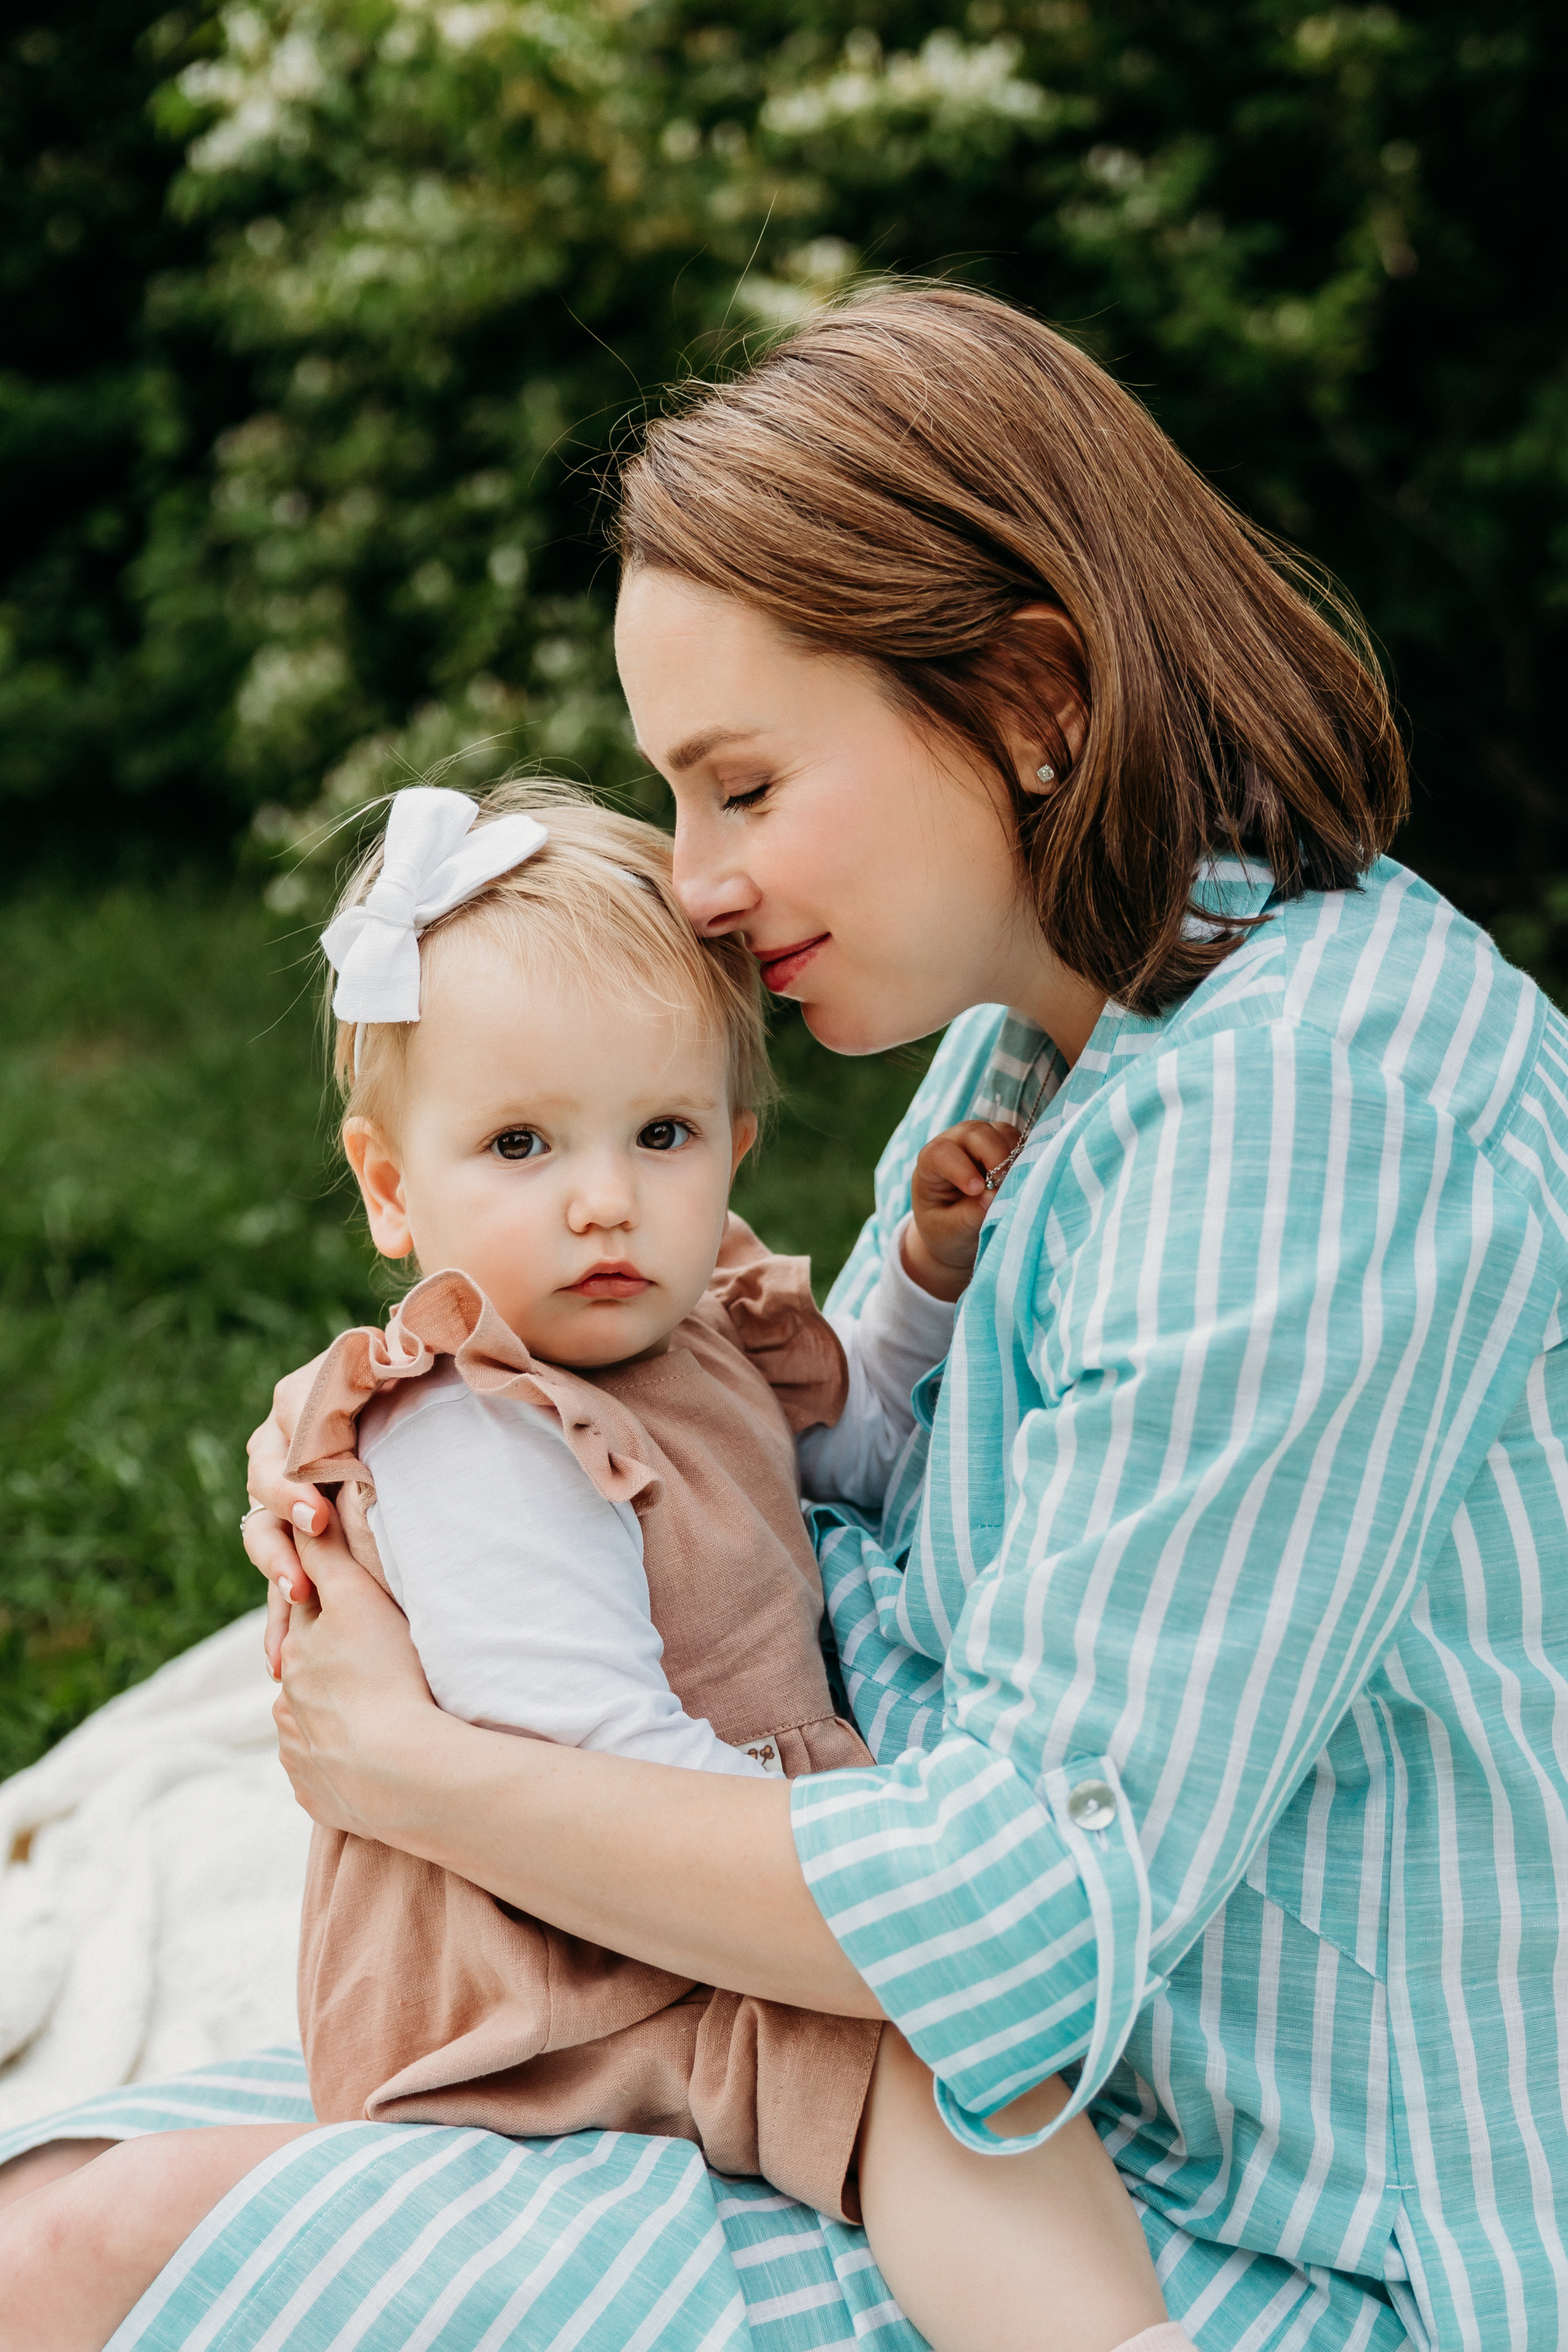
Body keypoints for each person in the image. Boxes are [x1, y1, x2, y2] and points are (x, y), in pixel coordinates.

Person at [2, 281, 1564, 2351]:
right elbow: (834, 1513)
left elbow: (1020, 1918)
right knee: (60, 2201)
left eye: (742, 786)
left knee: (127, 2274)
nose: (701, 883)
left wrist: (414, 1762)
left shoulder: (1316, 1127)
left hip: (1252, 2218)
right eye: (677, 797)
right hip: (939, 2072)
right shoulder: (1067, 1022)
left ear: (1028, 698)